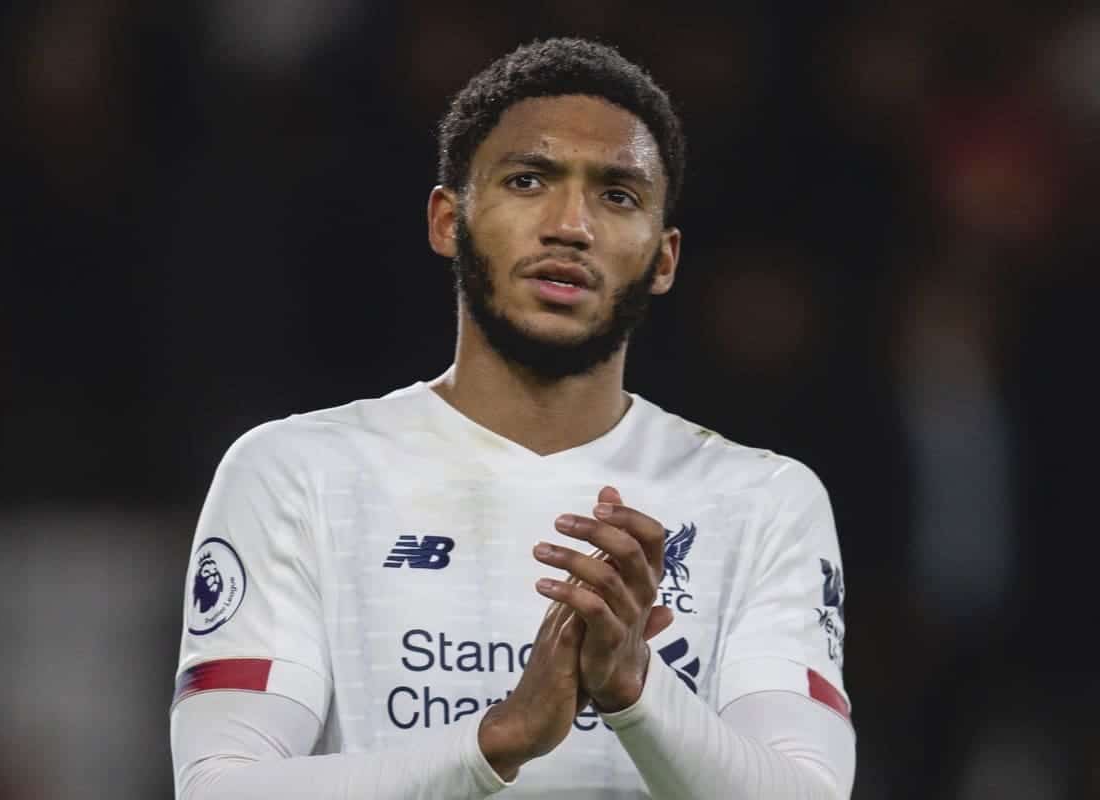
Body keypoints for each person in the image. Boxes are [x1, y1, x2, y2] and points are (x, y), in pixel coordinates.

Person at [169, 38, 855, 799]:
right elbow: (221, 789)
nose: (571, 225)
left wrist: (634, 690)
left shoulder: (761, 499)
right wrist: (497, 740)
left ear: (664, 260)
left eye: (616, 195)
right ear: (446, 220)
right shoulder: (299, 472)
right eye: (529, 180)